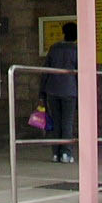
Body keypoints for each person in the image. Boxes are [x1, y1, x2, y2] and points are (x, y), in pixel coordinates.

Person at [43, 21, 78, 163]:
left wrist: (42, 91)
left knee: (56, 122)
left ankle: (55, 153)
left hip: (52, 89)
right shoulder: (76, 50)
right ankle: (66, 153)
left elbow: (45, 71)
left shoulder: (54, 48)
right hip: (69, 90)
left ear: (63, 33)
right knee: (67, 123)